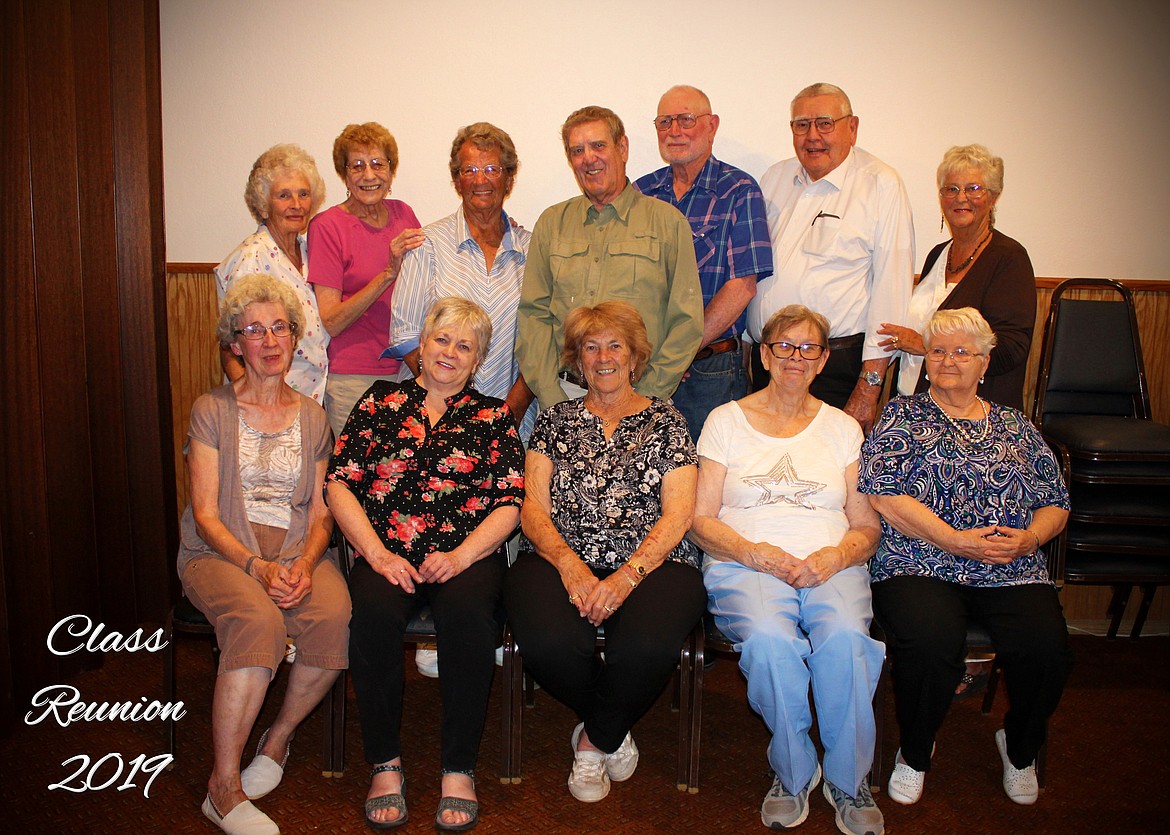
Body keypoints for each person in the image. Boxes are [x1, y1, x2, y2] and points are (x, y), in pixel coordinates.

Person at [858, 308, 1072, 807]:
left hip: (1010, 566)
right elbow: (883, 494)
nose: (948, 360)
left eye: (961, 351)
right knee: (931, 642)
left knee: (1047, 650)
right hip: (920, 560)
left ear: (984, 361)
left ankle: (1019, 747)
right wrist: (954, 540)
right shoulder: (902, 415)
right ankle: (915, 750)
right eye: (937, 350)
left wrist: (1029, 540)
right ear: (925, 359)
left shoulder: (1015, 426)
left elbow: (1055, 501)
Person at [326, 297, 524, 831]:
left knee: (468, 621)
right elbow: (340, 483)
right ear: (423, 342)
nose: (449, 353)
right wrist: (376, 553)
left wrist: (461, 556)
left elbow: (509, 503)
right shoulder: (380, 401)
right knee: (370, 614)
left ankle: (458, 768)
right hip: (385, 550)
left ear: (478, 359)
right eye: (442, 339)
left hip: (466, 555)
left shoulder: (493, 416)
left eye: (465, 346)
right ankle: (385, 763)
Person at [690, 304, 885, 834]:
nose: (795, 358)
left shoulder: (843, 428)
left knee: (846, 641)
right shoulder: (724, 421)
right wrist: (754, 552)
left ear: (823, 360)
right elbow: (699, 521)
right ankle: (794, 771)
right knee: (772, 644)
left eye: (809, 349)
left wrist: (834, 557)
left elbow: (866, 528)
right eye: (783, 346)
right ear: (764, 355)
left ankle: (849, 779)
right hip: (745, 563)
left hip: (830, 564)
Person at [504, 301, 706, 803]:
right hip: (558, 556)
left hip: (652, 561)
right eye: (590, 348)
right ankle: (612, 721)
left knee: (645, 648)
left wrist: (625, 577)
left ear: (636, 357)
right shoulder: (554, 419)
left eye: (615, 345)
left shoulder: (666, 420)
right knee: (548, 642)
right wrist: (570, 565)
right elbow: (532, 508)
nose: (603, 357)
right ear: (577, 360)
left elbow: (678, 515)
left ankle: (595, 740)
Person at [179, 275, 348, 835]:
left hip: (297, 550)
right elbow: (205, 513)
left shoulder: (314, 416)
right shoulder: (211, 409)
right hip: (221, 552)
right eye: (255, 329)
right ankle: (221, 789)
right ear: (235, 343)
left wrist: (302, 563)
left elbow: (323, 512)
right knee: (257, 623)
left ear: (295, 338)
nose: (270, 339)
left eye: (280, 327)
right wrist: (256, 566)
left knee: (332, 618)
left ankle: (276, 742)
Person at [747, 83, 914, 433]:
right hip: (768, 362)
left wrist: (870, 386)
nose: (812, 136)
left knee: (825, 479)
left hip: (834, 367)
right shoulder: (774, 178)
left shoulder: (880, 184)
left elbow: (891, 289)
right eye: (801, 124)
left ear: (851, 127)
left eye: (825, 123)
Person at [516, 105, 703, 411]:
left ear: (623, 147)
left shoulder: (667, 223)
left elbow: (687, 321)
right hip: (565, 396)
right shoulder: (551, 224)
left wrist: (647, 398)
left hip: (642, 399)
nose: (588, 158)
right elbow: (533, 316)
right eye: (577, 150)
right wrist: (552, 398)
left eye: (598, 145)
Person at [635, 85, 773, 442]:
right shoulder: (640, 193)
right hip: (643, 369)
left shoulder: (740, 190)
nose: (675, 130)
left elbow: (742, 286)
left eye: (686, 119)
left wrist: (681, 348)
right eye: (665, 121)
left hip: (710, 371)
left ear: (711, 126)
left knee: (706, 481)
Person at [391, 122, 537, 439]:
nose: (480, 179)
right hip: (430, 415)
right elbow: (405, 334)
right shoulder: (427, 244)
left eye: (492, 169)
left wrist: (511, 409)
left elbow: (544, 341)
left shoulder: (533, 250)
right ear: (457, 180)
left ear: (509, 178)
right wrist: (448, 399)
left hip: (509, 416)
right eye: (469, 170)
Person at [877, 144, 1036, 411]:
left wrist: (926, 346)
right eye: (951, 189)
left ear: (993, 196)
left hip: (973, 417)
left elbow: (1011, 349)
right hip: (916, 407)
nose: (961, 197)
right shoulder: (937, 255)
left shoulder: (1009, 258)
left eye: (973, 188)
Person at [309, 122, 424, 435]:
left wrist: (492, 228)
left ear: (391, 170)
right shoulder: (328, 226)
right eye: (357, 165)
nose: (369, 175)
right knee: (358, 479)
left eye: (378, 164)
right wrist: (388, 273)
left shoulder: (404, 214)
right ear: (344, 174)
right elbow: (331, 320)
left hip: (407, 369)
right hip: (353, 378)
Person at [215, 144, 330, 402]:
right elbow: (231, 346)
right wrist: (256, 404)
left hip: (313, 399)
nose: (296, 204)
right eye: (284, 196)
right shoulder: (251, 258)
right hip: (266, 402)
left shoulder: (311, 251)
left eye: (303, 194)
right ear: (263, 206)